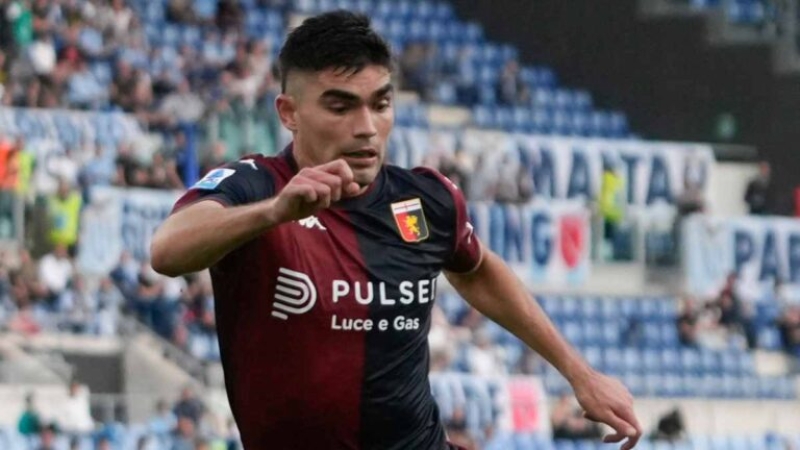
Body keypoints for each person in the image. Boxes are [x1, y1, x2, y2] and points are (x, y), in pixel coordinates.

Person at [151, 11, 641, 450]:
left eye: (380, 104)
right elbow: (168, 251)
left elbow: (477, 271)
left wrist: (580, 373)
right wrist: (274, 212)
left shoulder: (427, 198)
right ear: (289, 113)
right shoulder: (256, 186)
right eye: (340, 107)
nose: (366, 126)